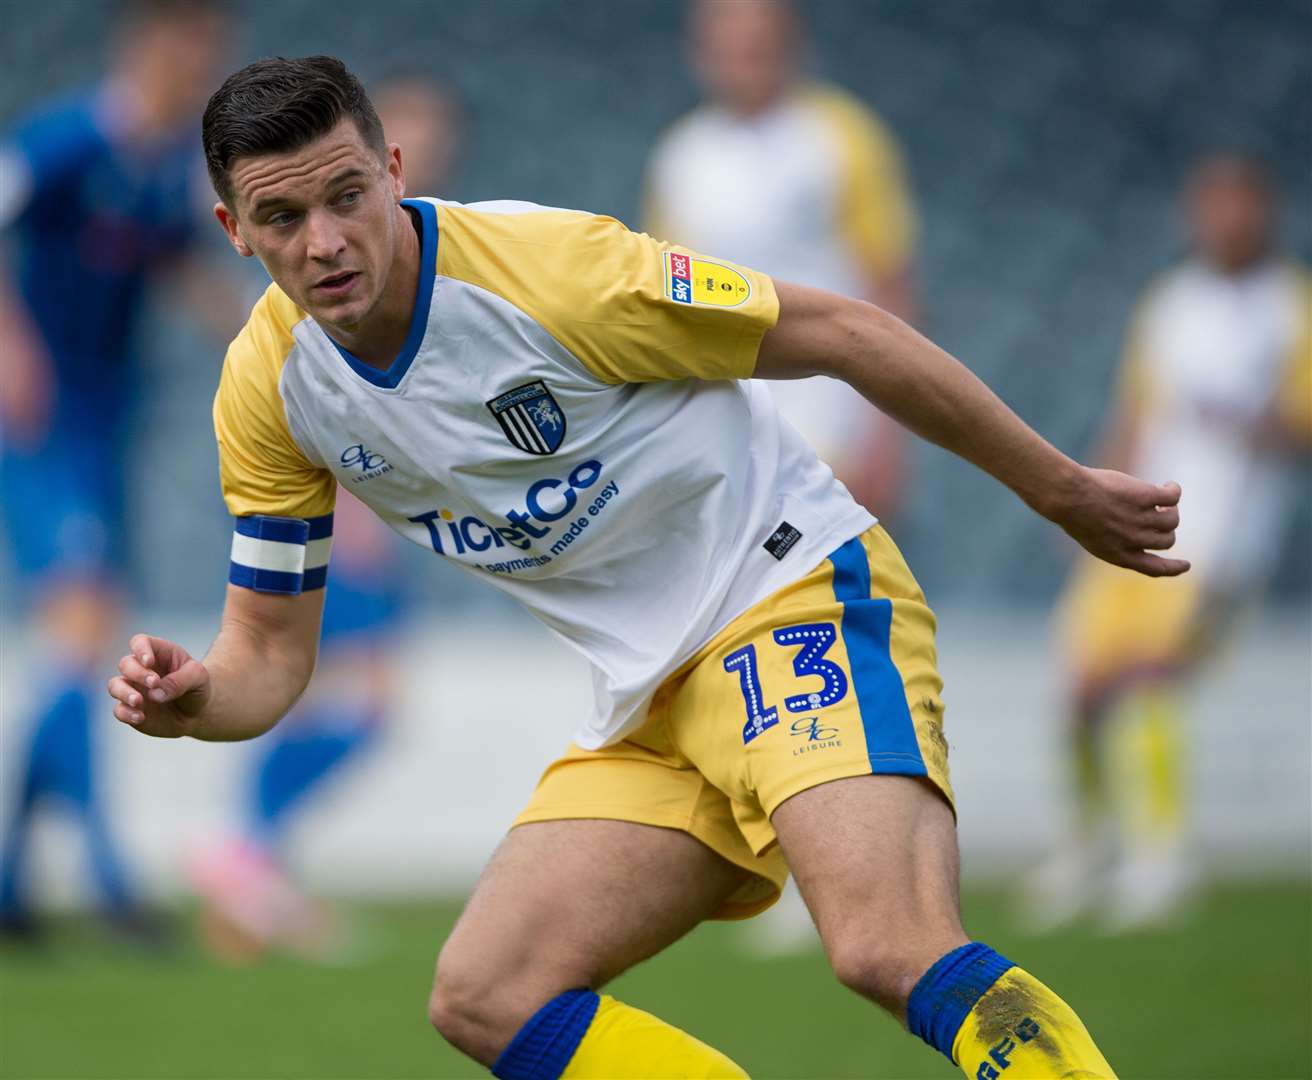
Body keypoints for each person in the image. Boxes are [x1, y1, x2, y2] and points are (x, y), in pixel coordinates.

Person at [106, 56, 1186, 1079]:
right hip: (647, 702)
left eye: (346, 195)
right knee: (488, 995)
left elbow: (846, 331)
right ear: (233, 232)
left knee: (884, 945)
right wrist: (199, 698)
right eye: (283, 218)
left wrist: (1057, 488)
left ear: (394, 172)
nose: (326, 241)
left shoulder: (553, 272)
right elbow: (267, 653)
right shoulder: (268, 388)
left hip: (788, 595)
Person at [187, 75, 459, 962]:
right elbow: (313, 393)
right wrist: (363, 512)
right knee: (349, 696)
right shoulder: (308, 274)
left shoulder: (414, 249)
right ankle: (245, 855)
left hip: (371, 505)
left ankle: (250, 866)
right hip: (344, 514)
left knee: (342, 699)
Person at [1025, 155, 1311, 933]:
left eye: (1239, 204)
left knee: (1150, 680)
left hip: (1225, 531)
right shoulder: (1174, 301)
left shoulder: (1291, 307)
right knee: (1079, 688)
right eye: (1211, 205)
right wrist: (1085, 501)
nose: (1224, 220)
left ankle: (1162, 857)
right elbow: (1136, 410)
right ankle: (1087, 847)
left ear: (1267, 211)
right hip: (1140, 519)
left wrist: (1258, 421)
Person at [0, 0, 231, 939]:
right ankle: (103, 872)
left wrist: (278, 339)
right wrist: (10, 348)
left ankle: (13, 880)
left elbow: (182, 269)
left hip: (108, 427)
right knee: (82, 628)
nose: (203, 67)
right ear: (147, 44)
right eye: (193, 47)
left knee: (78, 648)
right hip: (40, 424)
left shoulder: (165, 166)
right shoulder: (60, 143)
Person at [644, 0, 917, 518]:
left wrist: (888, 433)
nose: (742, 62)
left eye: (757, 47)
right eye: (727, 48)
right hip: (729, 416)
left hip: (834, 404)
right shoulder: (681, 155)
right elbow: (666, 302)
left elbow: (889, 280)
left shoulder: (840, 134)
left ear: (791, 47)